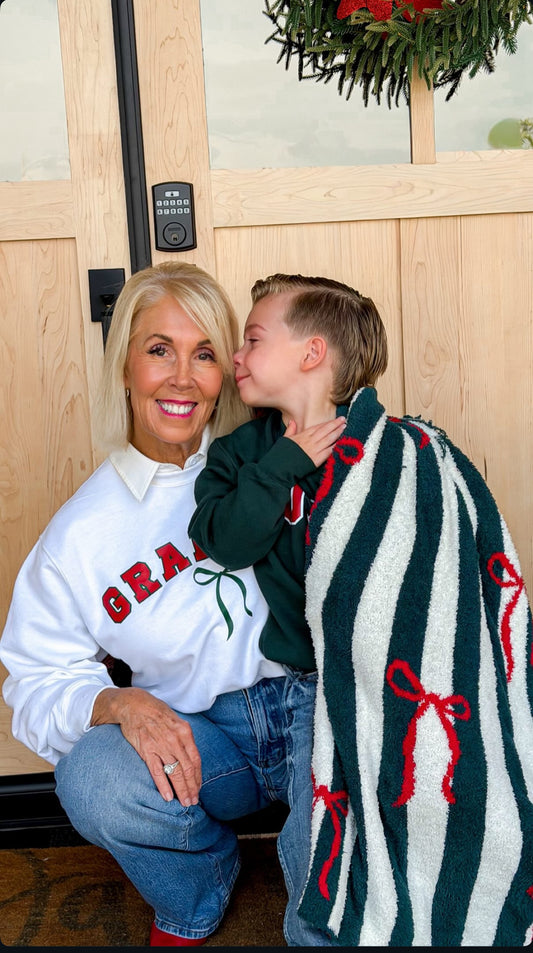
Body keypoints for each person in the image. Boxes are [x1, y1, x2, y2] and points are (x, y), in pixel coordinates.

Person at [189, 273, 533, 946]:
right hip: (300, 690)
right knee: (315, 839)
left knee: (411, 816)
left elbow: (441, 570)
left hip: (387, 683)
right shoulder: (243, 455)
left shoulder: (402, 451)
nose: (235, 355)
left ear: (312, 353)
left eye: (253, 338)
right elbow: (225, 540)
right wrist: (283, 462)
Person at [0, 262, 327, 947]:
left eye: (204, 353)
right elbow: (35, 678)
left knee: (336, 882)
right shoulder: (81, 532)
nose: (182, 376)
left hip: (313, 710)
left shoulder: (275, 456)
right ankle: (199, 885)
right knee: (93, 776)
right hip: (208, 743)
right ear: (124, 365)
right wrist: (119, 703)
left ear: (227, 370)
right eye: (159, 350)